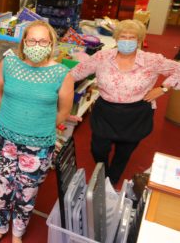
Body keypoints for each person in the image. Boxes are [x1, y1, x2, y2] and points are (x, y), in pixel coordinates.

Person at [0, 20, 74, 243]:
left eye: (43, 41)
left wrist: (36, 125)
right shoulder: (9, 63)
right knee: (2, 188)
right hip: (5, 138)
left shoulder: (61, 74)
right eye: (32, 40)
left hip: (38, 145)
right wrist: (12, 117)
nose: (37, 45)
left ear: (51, 44)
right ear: (24, 43)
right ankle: (0, 228)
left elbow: (64, 111)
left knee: (26, 193)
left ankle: (17, 236)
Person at [71, 19, 180, 185]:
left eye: (132, 38)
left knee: (124, 151)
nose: (127, 41)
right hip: (106, 111)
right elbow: (75, 73)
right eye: (123, 36)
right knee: (98, 149)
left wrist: (163, 88)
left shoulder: (152, 60)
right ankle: (103, 171)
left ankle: (112, 179)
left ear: (140, 40)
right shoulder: (102, 56)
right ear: (116, 38)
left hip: (136, 113)